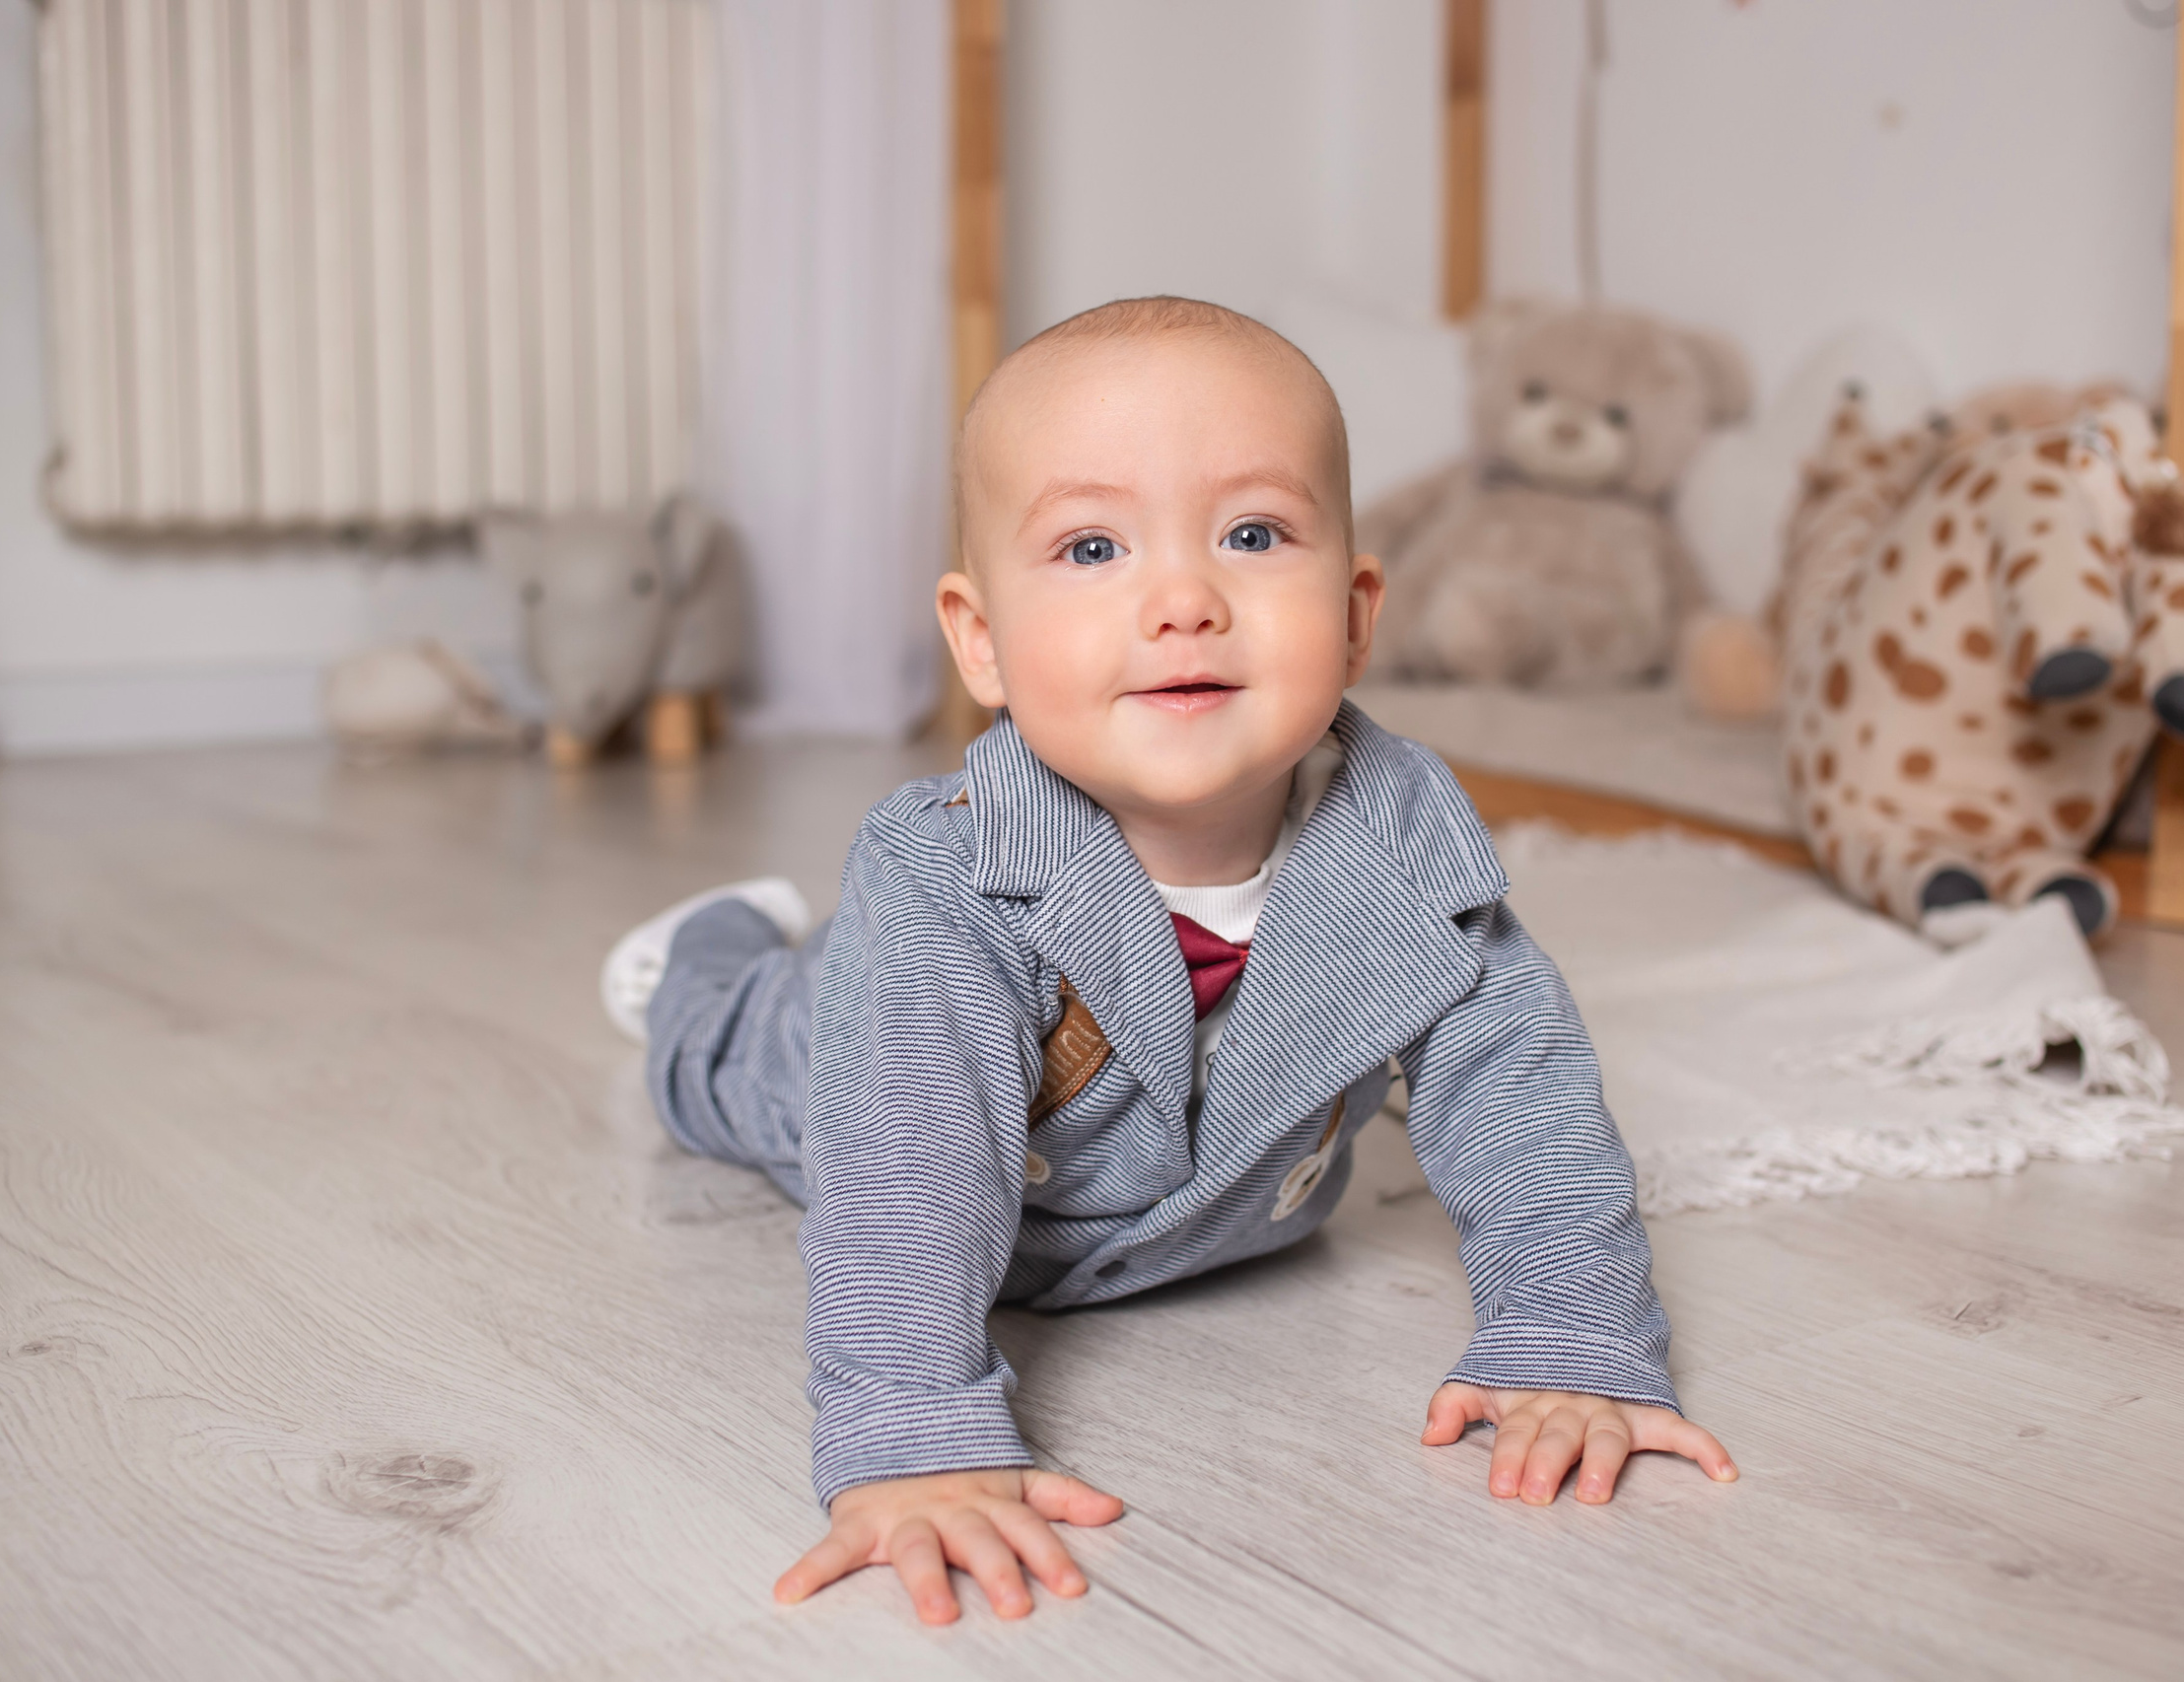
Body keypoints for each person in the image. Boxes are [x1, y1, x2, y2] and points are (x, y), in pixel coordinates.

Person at [602, 297, 1735, 1627]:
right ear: (981, 642)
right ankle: (707, 944)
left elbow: (1521, 1092)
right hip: (853, 1075)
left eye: (1253, 535)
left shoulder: (1406, 849)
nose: (1185, 600)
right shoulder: (946, 881)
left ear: (1358, 611)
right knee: (724, 1049)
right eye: (1092, 546)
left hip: (1218, 1208)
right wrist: (917, 1434)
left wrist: (1573, 1332)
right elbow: (903, 1178)